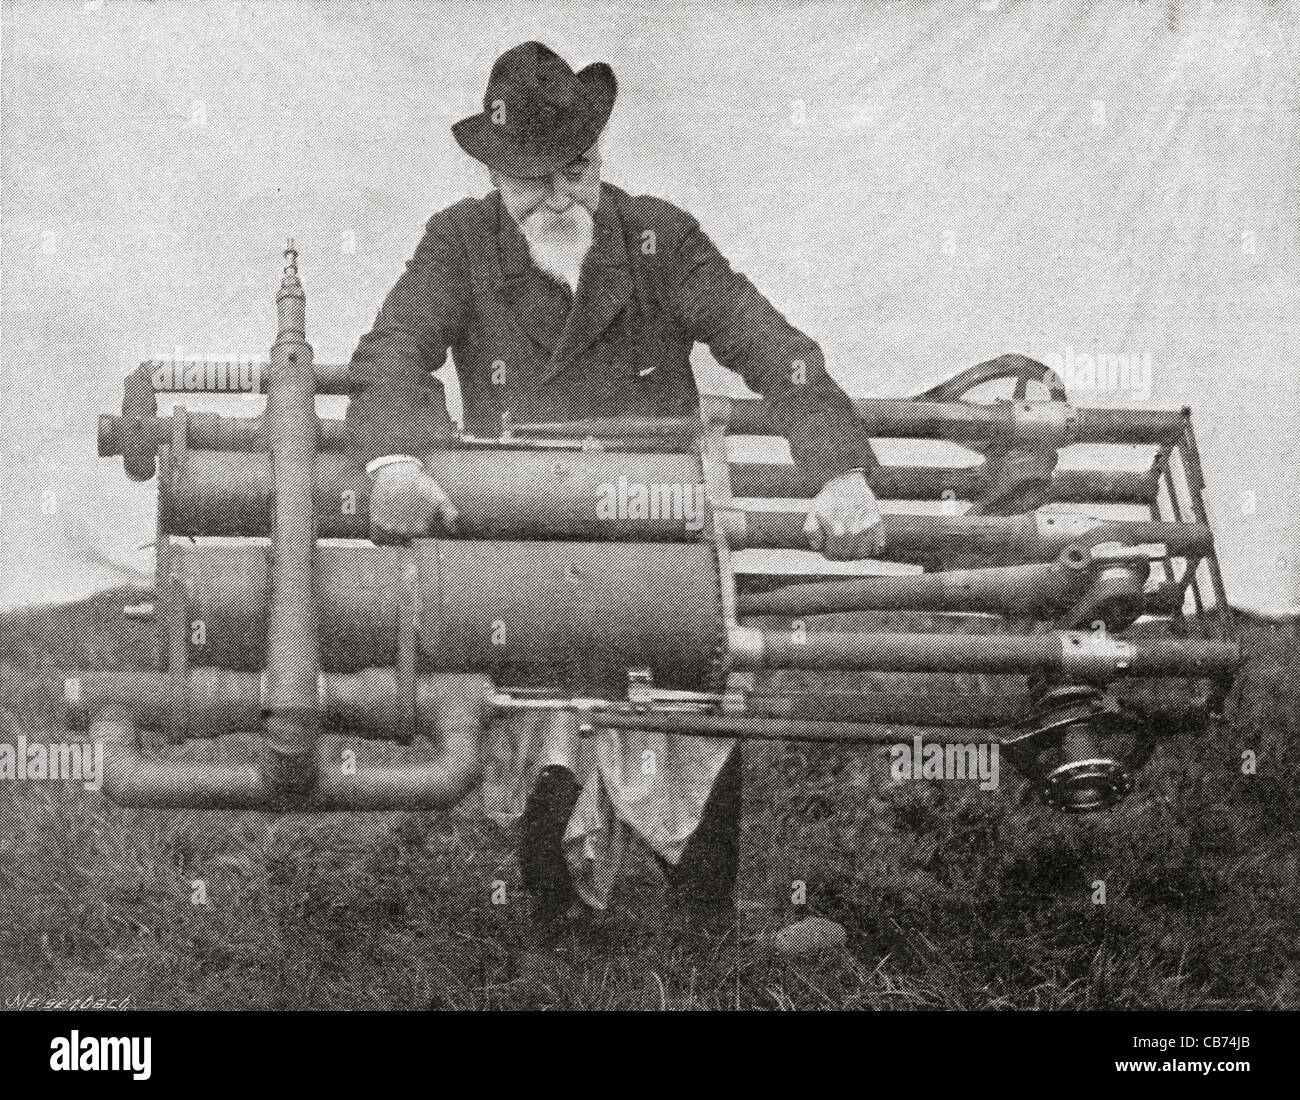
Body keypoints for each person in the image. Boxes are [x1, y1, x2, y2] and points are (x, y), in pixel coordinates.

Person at [345, 41, 882, 939]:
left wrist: (839, 468)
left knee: (698, 694)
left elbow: (771, 346)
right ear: (491, 169)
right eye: (530, 178)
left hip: (659, 527)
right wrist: (394, 463)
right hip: (526, 533)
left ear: (601, 157)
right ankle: (554, 918)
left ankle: (706, 916)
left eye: (577, 170)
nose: (557, 196)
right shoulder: (457, 241)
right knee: (539, 717)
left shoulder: (659, 236)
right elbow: (393, 352)